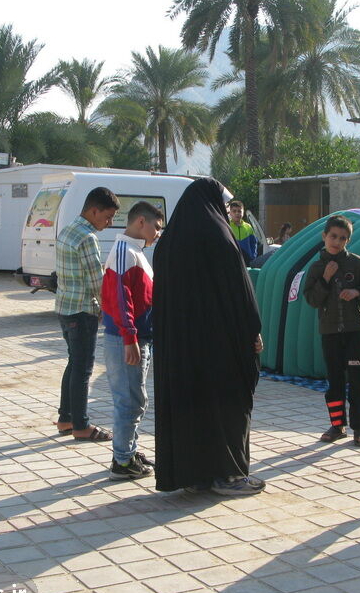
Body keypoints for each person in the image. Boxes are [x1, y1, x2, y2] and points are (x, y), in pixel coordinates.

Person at [153, 178, 264, 495]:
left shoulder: (168, 245)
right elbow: (240, 294)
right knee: (227, 404)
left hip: (180, 352)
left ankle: (194, 474)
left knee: (190, 407)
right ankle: (227, 474)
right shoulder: (219, 239)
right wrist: (252, 331)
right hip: (220, 347)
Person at [304, 215, 360, 448]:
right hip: (330, 333)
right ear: (324, 236)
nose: (337, 242)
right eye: (333, 236)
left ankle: (359, 428)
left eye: (343, 238)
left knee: (358, 381)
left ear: (348, 240)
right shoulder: (317, 267)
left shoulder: (357, 263)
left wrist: (358, 292)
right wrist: (325, 278)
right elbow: (312, 299)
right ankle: (337, 426)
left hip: (354, 331)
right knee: (334, 380)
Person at [101, 201, 163, 480]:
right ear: (141, 222)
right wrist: (130, 338)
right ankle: (122, 461)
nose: (158, 233)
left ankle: (129, 450)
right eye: (156, 227)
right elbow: (120, 298)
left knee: (135, 399)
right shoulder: (125, 252)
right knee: (129, 401)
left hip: (137, 336)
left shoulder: (134, 251)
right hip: (127, 339)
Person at [53, 187, 120, 442]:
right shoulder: (87, 237)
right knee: (83, 369)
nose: (109, 222)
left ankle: (65, 418)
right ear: (94, 211)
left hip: (64, 308)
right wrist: (109, 309)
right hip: (82, 311)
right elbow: (97, 282)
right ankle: (81, 425)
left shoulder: (68, 230)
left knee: (74, 364)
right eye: (108, 216)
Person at [227, 199, 258, 265]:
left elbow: (253, 243)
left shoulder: (248, 227)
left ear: (243, 212)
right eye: (234, 211)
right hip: (232, 260)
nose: (237, 213)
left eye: (239, 211)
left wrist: (253, 257)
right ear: (230, 212)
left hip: (247, 261)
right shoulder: (227, 226)